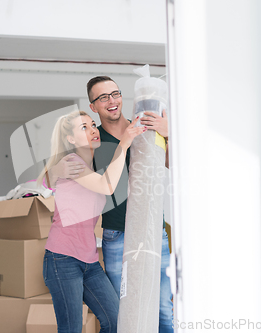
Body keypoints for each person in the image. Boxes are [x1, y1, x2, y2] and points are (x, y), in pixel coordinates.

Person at [49, 76, 174, 333]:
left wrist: (170, 135)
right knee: (125, 313)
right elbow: (65, 170)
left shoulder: (146, 126)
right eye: (103, 97)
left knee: (162, 309)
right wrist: (53, 171)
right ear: (94, 105)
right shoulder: (93, 143)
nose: (112, 101)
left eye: (115, 94)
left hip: (152, 231)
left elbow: (173, 164)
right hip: (116, 235)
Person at [38, 110, 146, 333]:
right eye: (83, 128)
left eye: (92, 125)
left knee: (115, 320)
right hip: (63, 259)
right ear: (70, 139)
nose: (93, 130)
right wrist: (123, 145)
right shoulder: (72, 162)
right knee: (71, 329)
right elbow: (106, 186)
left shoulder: (93, 164)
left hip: (90, 261)